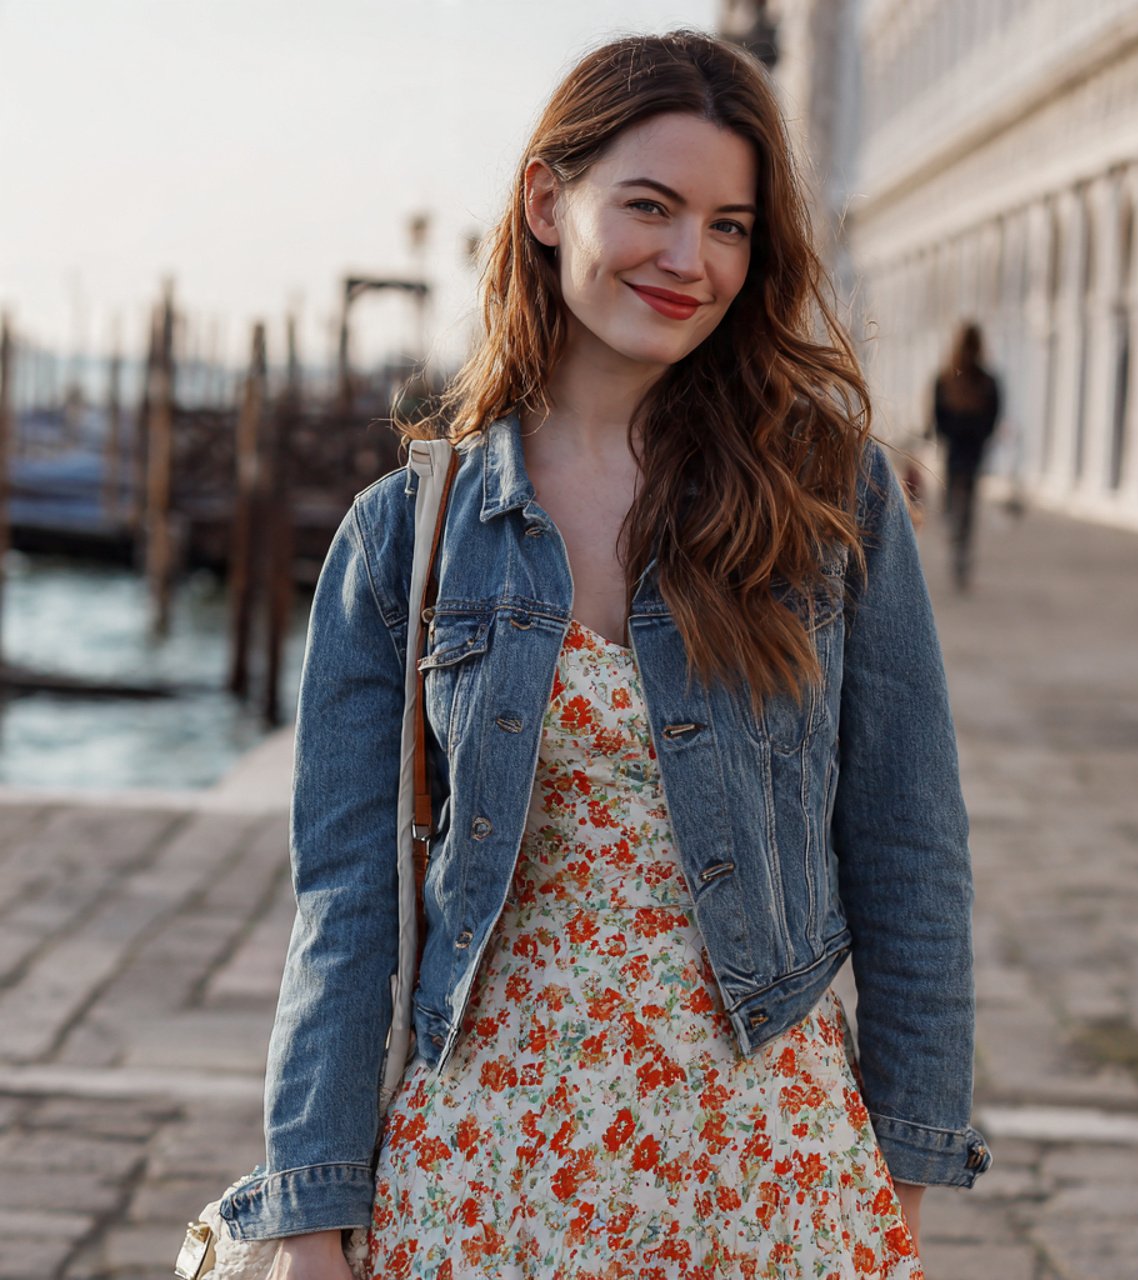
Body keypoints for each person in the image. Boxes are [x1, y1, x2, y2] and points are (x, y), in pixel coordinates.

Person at [226, 31, 990, 1280]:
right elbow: (346, 902)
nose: (691, 259)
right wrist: (309, 1218)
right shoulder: (404, 535)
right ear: (545, 200)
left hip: (765, 1169)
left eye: (731, 225)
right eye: (651, 206)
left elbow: (911, 843)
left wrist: (900, 1168)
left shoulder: (823, 491)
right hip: (486, 1173)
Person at [932, 322, 1002, 590]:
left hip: (955, 450)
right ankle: (961, 555)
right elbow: (994, 416)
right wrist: (980, 435)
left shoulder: (947, 377)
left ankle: (956, 547)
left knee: (952, 503)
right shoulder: (987, 380)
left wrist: (949, 434)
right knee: (967, 505)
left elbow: (937, 417)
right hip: (973, 450)